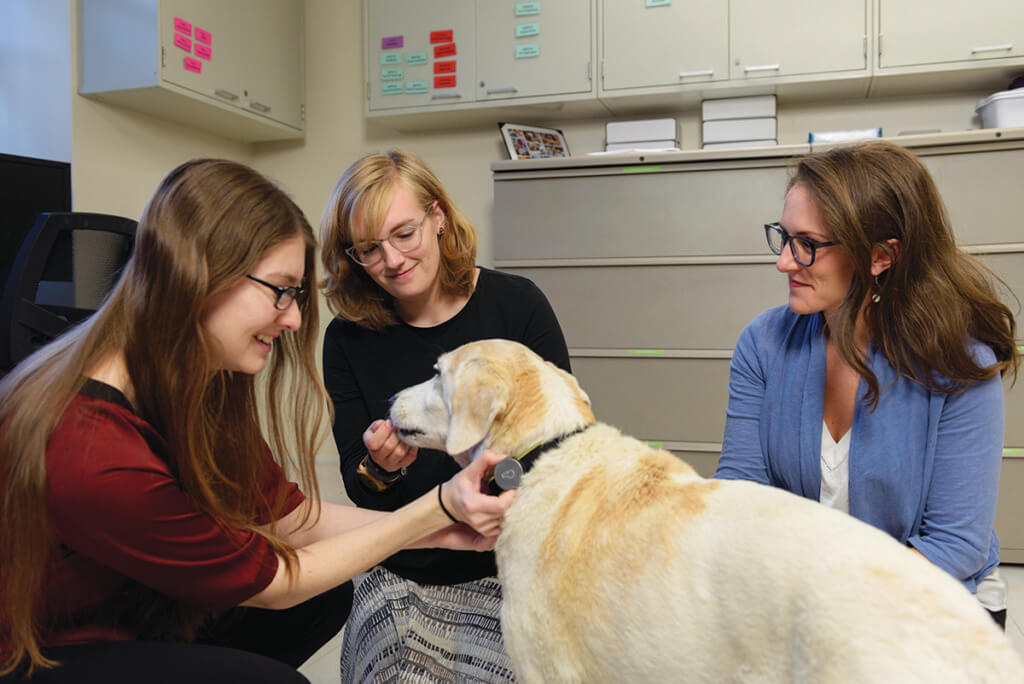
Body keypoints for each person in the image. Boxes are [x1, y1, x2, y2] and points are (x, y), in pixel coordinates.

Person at [0, 159, 513, 683]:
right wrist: (438, 508)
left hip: (135, 607)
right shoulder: (91, 450)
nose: (292, 319)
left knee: (330, 587)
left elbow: (288, 519)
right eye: (280, 290)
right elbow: (276, 580)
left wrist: (442, 531)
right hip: (41, 651)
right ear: (201, 275)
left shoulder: (195, 381)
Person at [715, 141, 1019, 627]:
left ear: (880, 256)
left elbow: (953, 546)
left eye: (808, 244)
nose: (785, 263)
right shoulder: (763, 343)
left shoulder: (959, 366)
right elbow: (740, 495)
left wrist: (830, 604)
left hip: (928, 596)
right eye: (784, 236)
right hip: (807, 594)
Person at [320, 150, 571, 682]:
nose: (392, 260)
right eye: (369, 248)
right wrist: (382, 468)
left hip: (502, 566)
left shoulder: (516, 306)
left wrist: (494, 479)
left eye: (404, 233)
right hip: (399, 564)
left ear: (438, 218)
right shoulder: (347, 338)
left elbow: (561, 457)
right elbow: (361, 489)